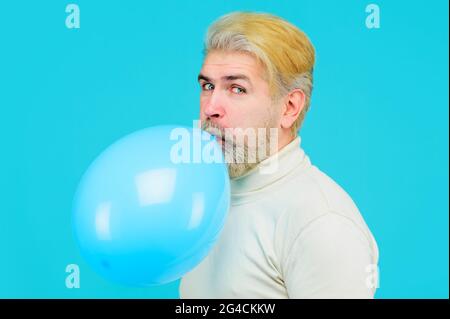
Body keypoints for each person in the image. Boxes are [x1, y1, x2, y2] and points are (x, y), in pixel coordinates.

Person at [179, 11, 379, 299]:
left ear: (289, 108)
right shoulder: (205, 199)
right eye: (208, 86)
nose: (211, 107)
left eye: (237, 88)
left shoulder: (323, 224)